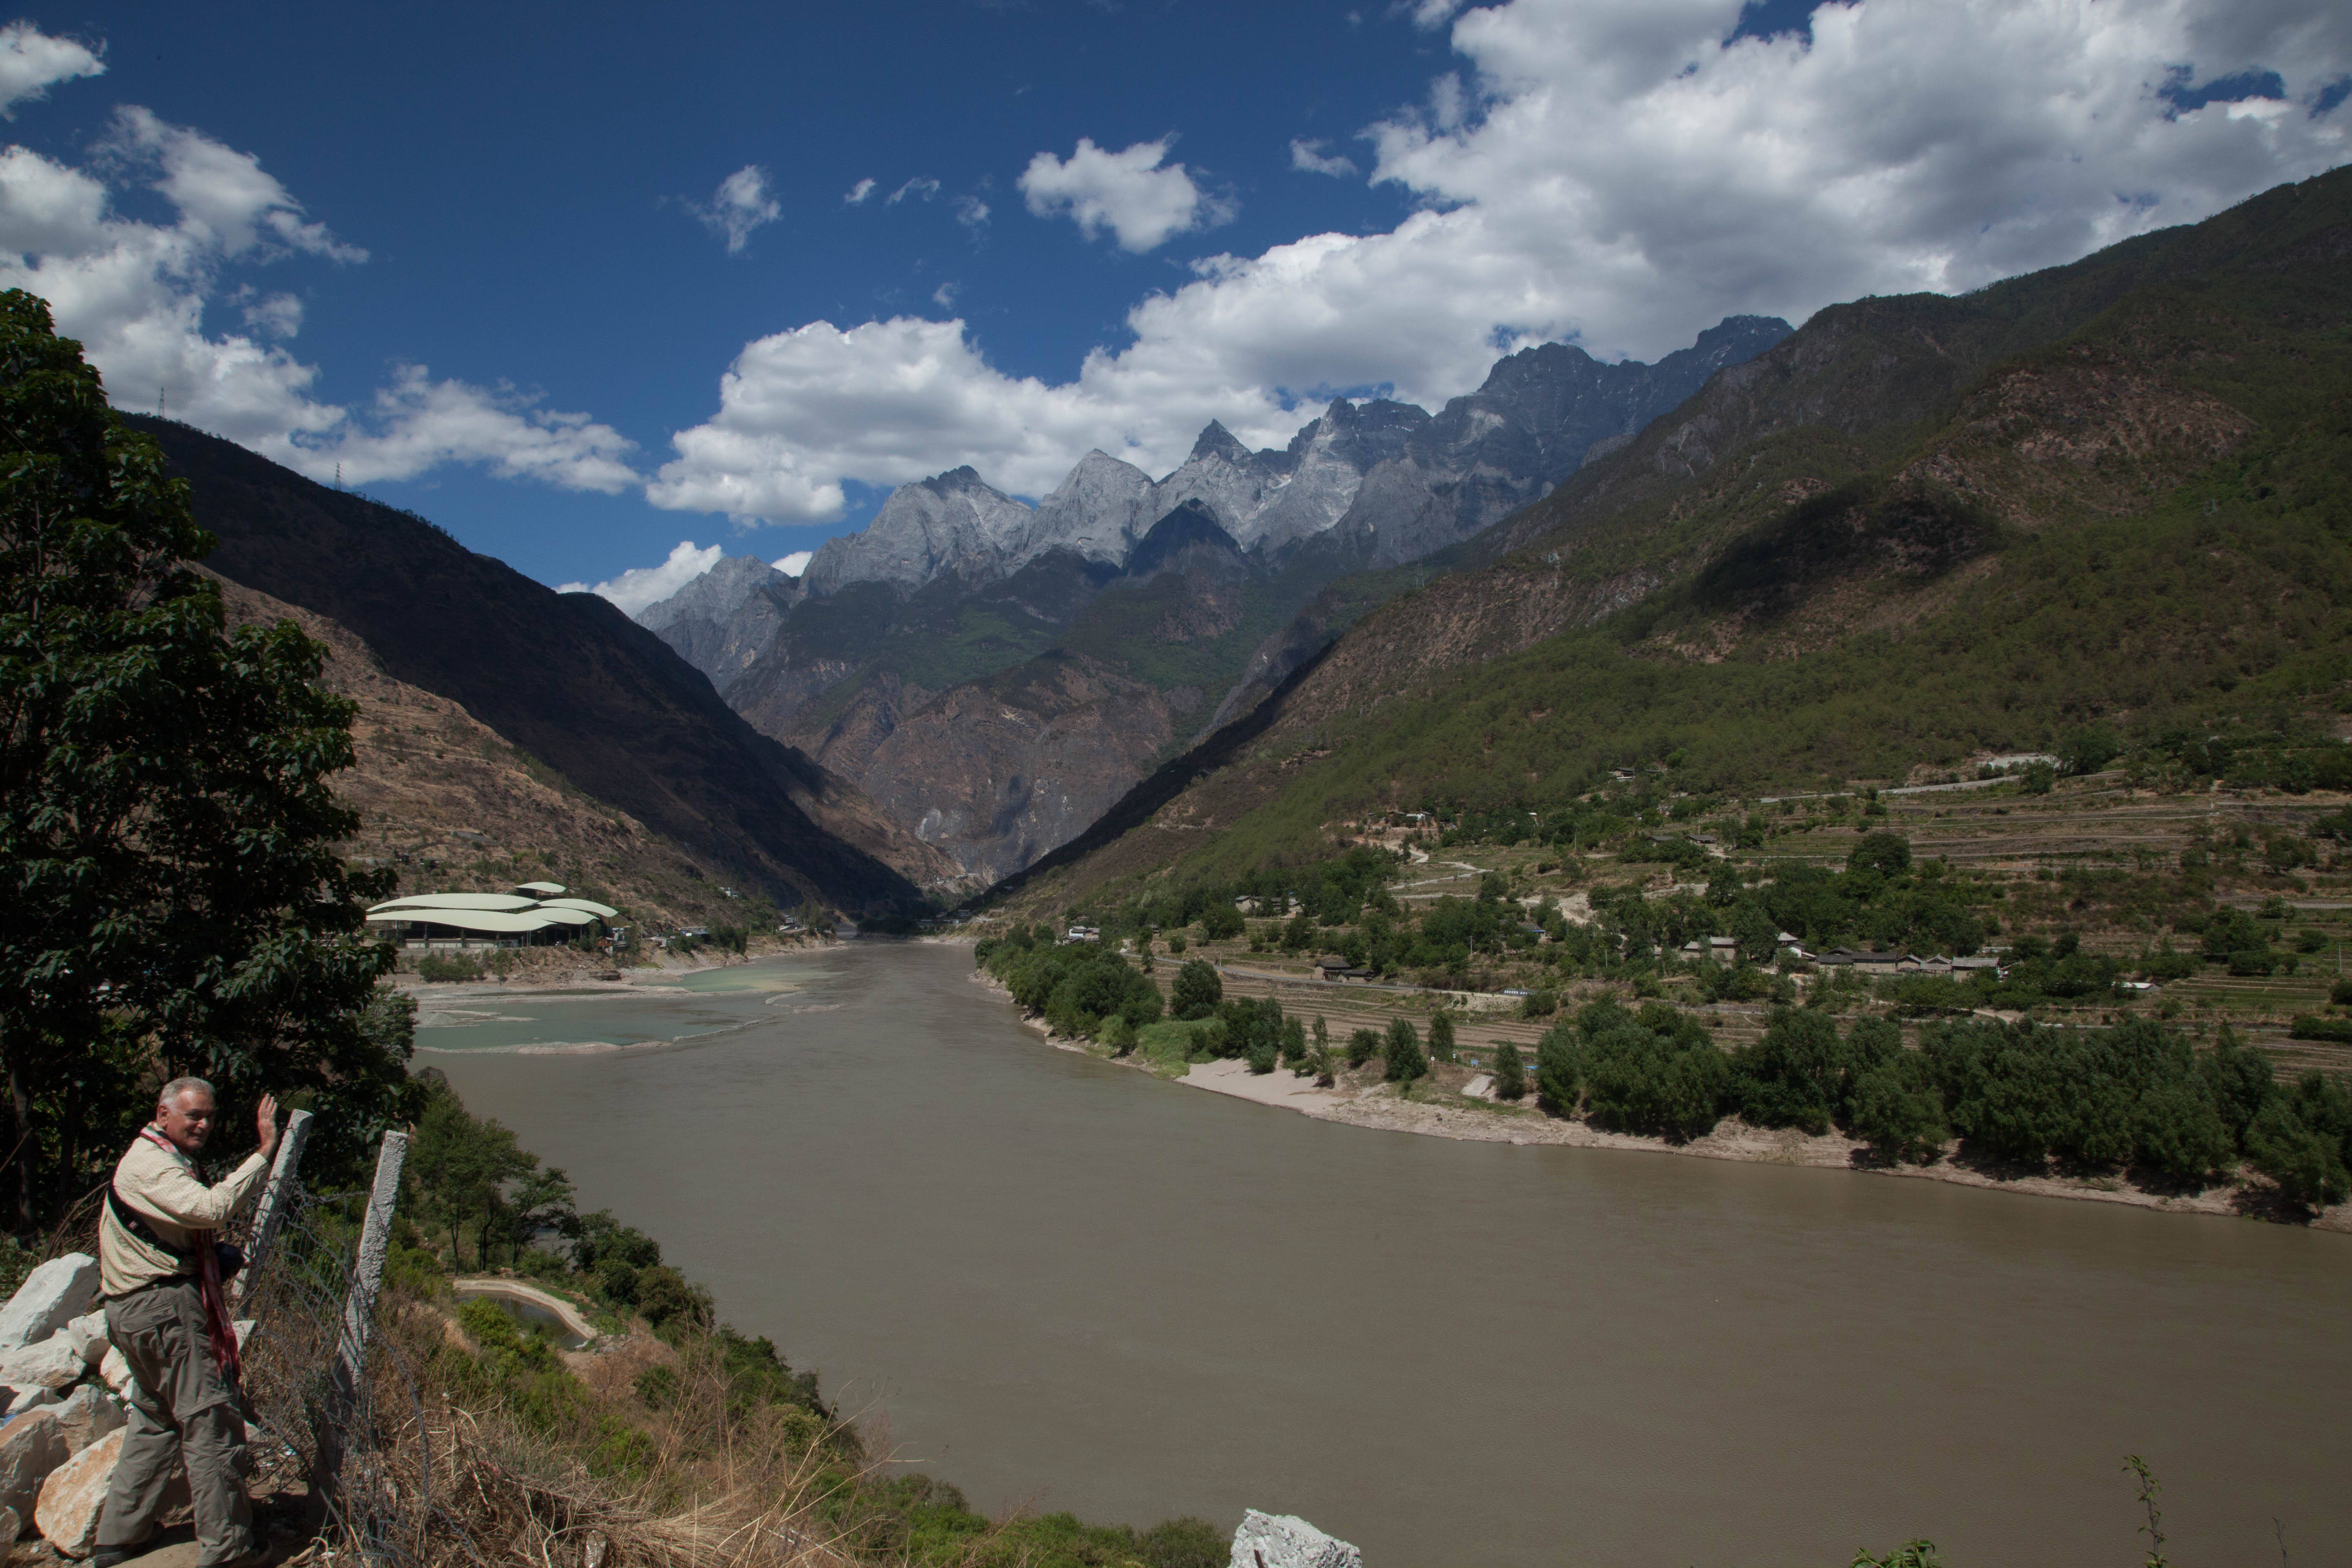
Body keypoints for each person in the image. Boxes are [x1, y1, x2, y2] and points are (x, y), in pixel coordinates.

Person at [92, 1078, 279, 1568]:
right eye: (193, 1115)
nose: (203, 1124)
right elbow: (209, 1208)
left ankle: (118, 1537)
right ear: (162, 1115)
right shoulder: (150, 1163)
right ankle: (229, 1550)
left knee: (156, 1420)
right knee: (210, 1421)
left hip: (135, 1310)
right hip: (163, 1310)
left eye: (209, 1116)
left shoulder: (160, 1156)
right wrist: (264, 1153)